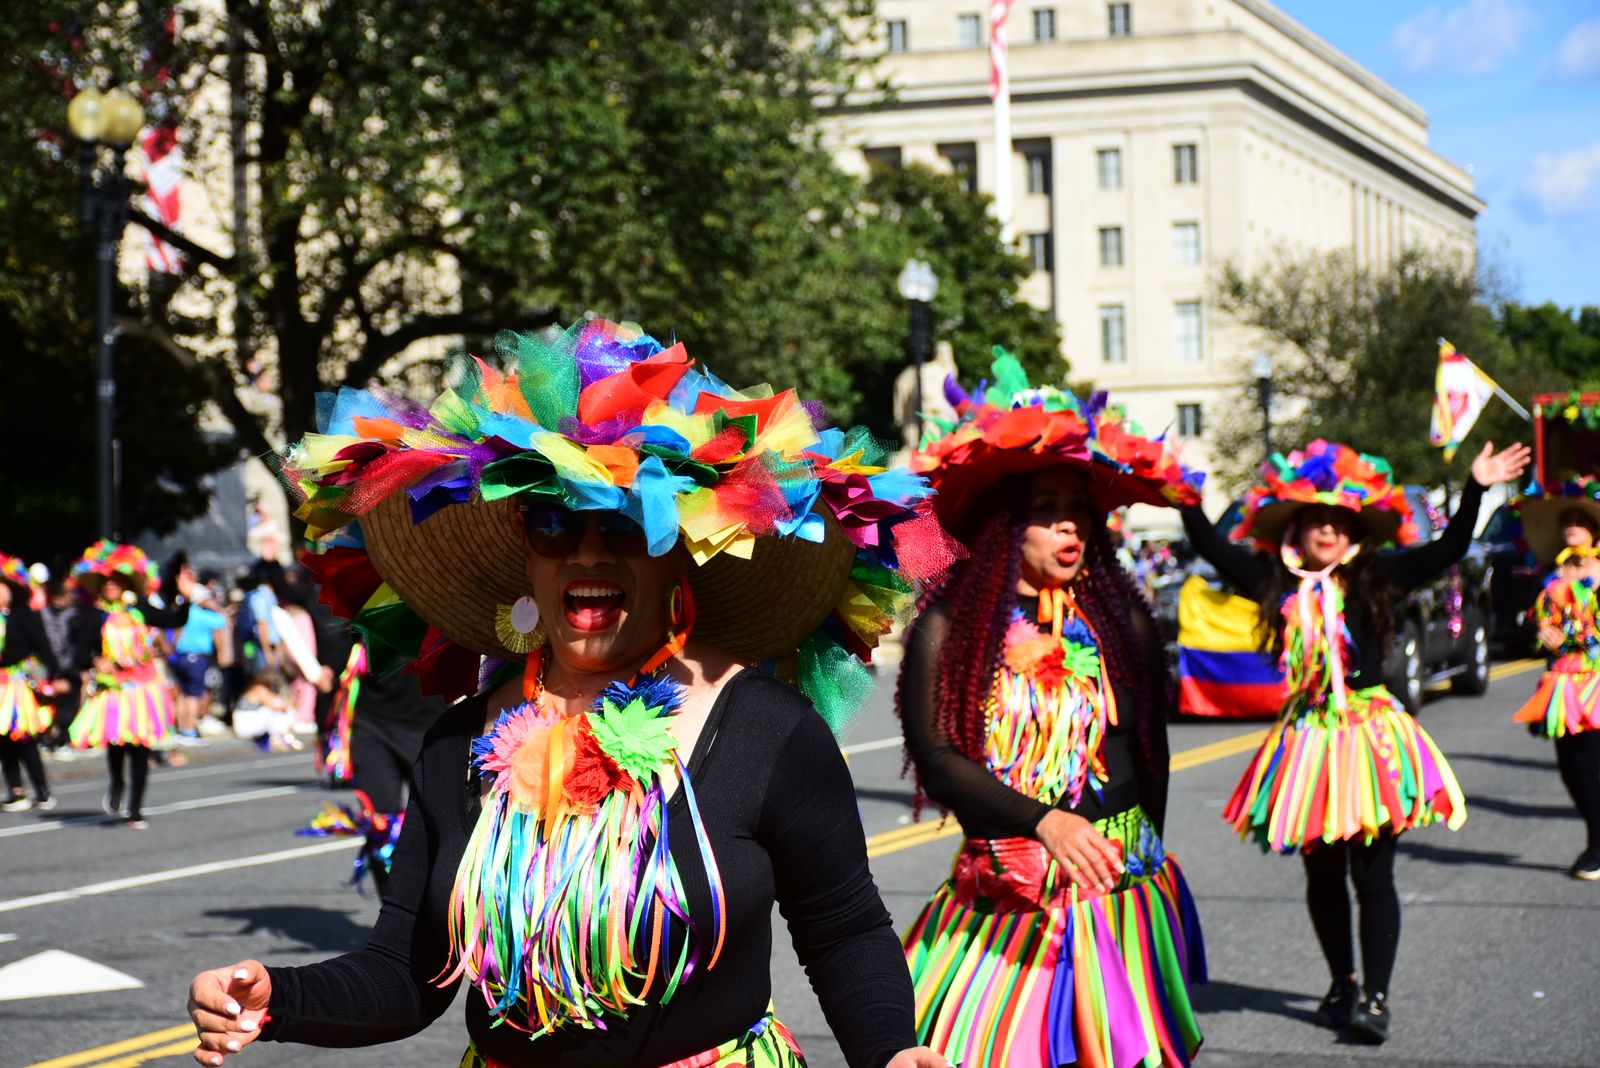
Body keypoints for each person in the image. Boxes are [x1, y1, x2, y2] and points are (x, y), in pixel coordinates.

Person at [187, 319, 949, 1068]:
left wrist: (891, 1049)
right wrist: (276, 998)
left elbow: (843, 929)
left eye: (625, 525)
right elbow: (404, 973)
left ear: (676, 555)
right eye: (554, 523)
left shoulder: (763, 727)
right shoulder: (457, 745)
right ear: (529, 559)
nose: (587, 554)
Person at [897, 352, 1208, 1068]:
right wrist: (1044, 821)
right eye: (1046, 510)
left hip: (1119, 895)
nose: (1069, 526)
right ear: (1007, 526)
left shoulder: (1120, 619)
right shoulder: (951, 628)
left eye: (1078, 510)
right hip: (1007, 902)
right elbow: (937, 760)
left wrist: (1146, 861)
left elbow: (1151, 755)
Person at [1181, 438, 1529, 1043]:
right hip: (1309, 741)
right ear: (1296, 528)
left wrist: (1476, 487)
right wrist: (1184, 495)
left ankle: (1376, 997)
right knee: (1321, 876)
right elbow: (1210, 546)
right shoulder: (1275, 581)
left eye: (1338, 520)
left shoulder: (1377, 577)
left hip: (1370, 738)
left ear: (1353, 532)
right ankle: (1341, 982)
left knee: (1373, 876)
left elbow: (1448, 548)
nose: (1327, 528)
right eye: (1316, 518)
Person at [1511, 477, 1600, 879]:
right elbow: (1539, 621)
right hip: (1563, 683)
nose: (1571, 526)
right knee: (1569, 769)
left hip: (1596, 681)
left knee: (1589, 763)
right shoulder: (1552, 574)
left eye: (1579, 521)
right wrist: (1543, 633)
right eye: (1567, 521)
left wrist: (1579, 638)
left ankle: (1596, 846)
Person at [68, 542, 191, 829]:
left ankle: (135, 809)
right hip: (113, 690)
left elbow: (174, 619)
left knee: (140, 747)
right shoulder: (94, 615)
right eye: (106, 581)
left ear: (126, 583)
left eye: (116, 580)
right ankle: (117, 782)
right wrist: (96, 660)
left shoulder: (141, 610)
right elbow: (79, 653)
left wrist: (185, 596)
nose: (111, 585)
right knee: (116, 743)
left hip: (143, 688)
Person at [1, 554, 61, 811]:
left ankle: (42, 789)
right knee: (3, 740)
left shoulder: (23, 615)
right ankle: (15, 790)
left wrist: (56, 676)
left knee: (24, 738)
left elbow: (42, 646)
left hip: (18, 686)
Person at [169, 558, 231, 746]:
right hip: (197, 658)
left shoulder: (182, 613)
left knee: (182, 695)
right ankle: (189, 730)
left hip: (180, 657)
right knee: (193, 696)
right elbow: (222, 620)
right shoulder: (203, 615)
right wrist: (213, 605)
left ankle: (181, 729)